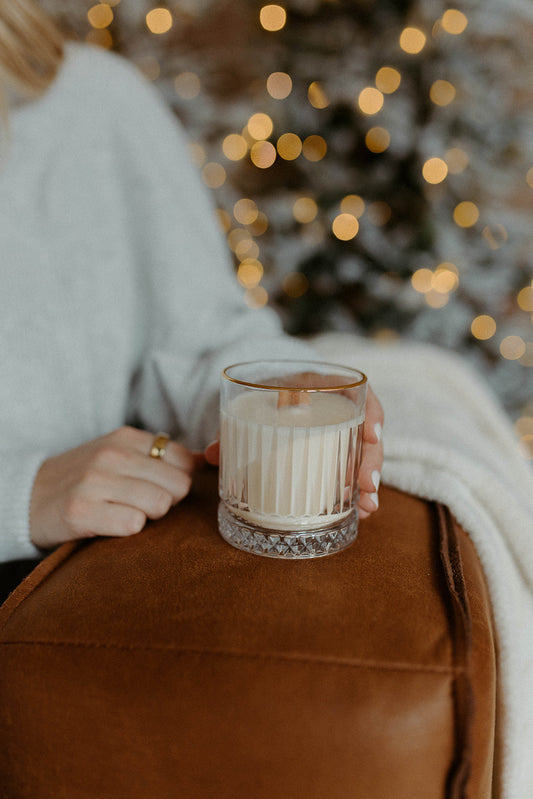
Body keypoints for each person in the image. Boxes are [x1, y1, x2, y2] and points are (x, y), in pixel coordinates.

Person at [0, 0, 383, 566]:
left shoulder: (91, 101)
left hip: (85, 575)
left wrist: (277, 383)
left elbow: (200, 337)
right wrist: (20, 496)